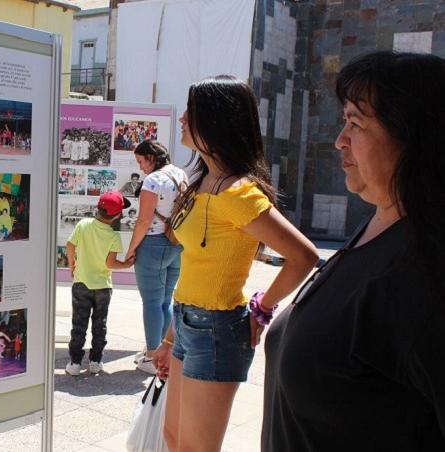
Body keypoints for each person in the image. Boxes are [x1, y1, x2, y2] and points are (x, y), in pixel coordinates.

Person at [263, 52, 445, 451]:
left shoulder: (426, 271)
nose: (339, 140)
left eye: (355, 122)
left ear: (414, 138)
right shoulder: (380, 223)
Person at [151, 75, 317, 451]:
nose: (182, 119)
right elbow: (196, 266)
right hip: (187, 320)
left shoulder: (240, 192)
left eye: (191, 112)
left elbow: (303, 256)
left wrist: (263, 306)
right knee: (173, 438)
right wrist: (168, 339)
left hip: (217, 329)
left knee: (195, 448)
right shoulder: (202, 180)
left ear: (215, 120)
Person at [124, 140, 188, 374]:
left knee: (151, 302)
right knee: (166, 299)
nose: (140, 167)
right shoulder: (180, 173)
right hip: (177, 243)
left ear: (151, 157)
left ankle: (152, 355)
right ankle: (165, 350)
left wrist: (131, 249)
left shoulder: (152, 181)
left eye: (141, 161)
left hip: (153, 244)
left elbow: (143, 220)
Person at [65, 191, 135, 376]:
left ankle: (75, 363)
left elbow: (70, 245)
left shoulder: (83, 225)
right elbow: (110, 264)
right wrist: (127, 264)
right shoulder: (113, 236)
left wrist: (72, 264)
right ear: (118, 215)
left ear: (98, 208)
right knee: (99, 325)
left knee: (78, 324)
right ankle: (95, 361)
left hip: (81, 284)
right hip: (103, 286)